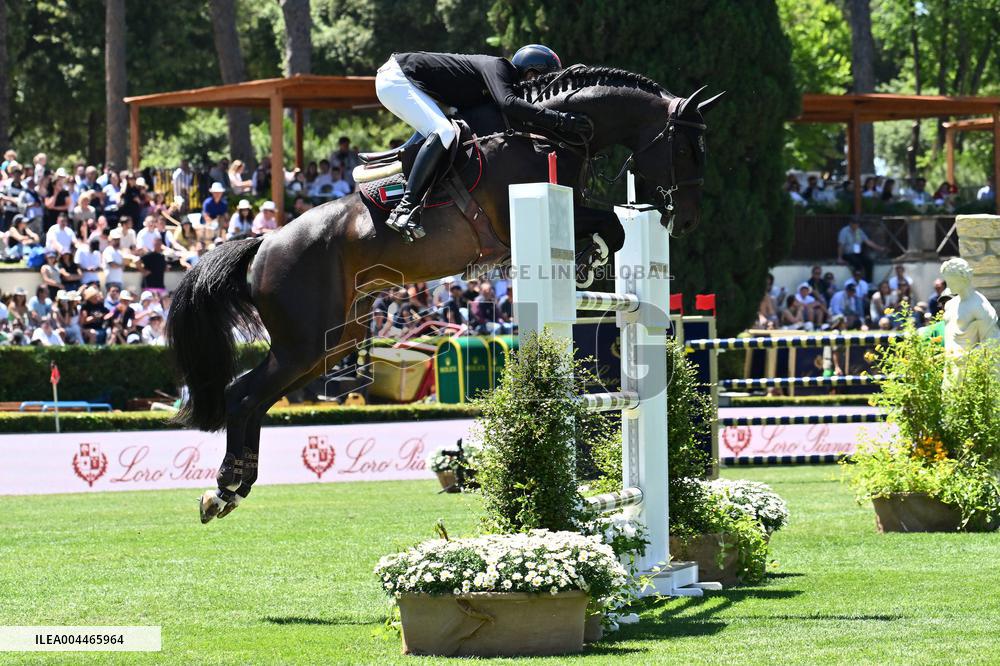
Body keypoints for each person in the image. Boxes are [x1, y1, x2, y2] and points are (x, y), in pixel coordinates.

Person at [373, 45, 585, 240]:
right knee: (443, 131)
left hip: (408, 82)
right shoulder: (499, 67)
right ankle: (405, 208)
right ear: (530, 73)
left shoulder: (493, 82)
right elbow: (509, 103)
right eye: (541, 81)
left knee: (448, 131)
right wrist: (559, 120)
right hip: (397, 78)